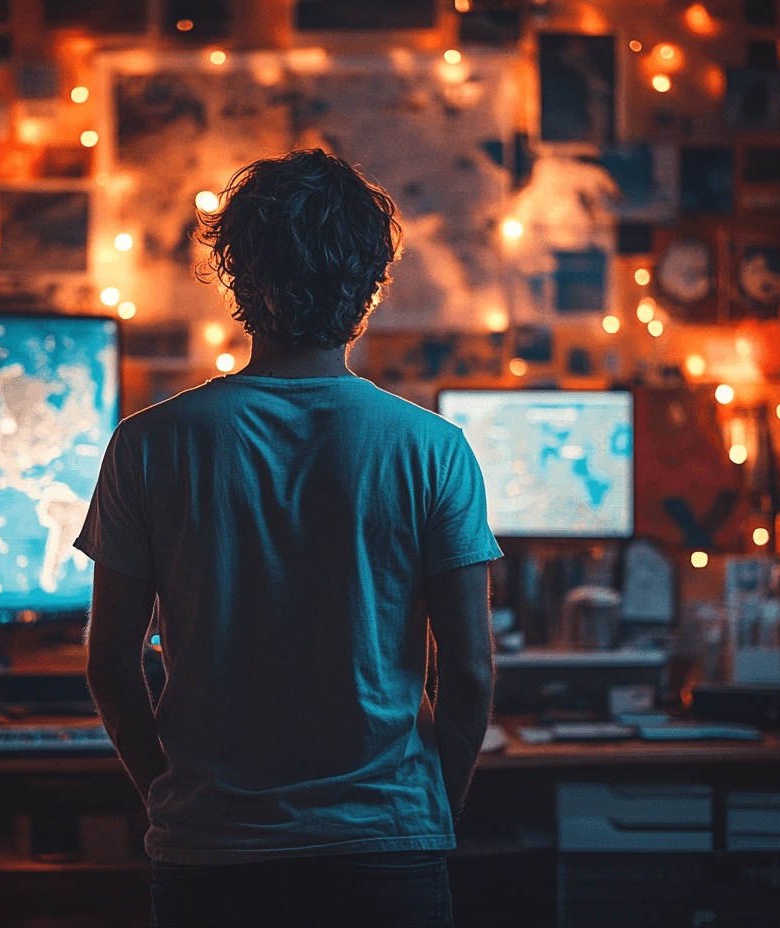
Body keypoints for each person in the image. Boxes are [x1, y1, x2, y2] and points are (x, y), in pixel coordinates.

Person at [77, 148, 500, 928]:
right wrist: (430, 812)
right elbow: (470, 674)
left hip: (211, 855)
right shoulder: (433, 449)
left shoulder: (147, 445)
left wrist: (171, 795)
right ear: (370, 288)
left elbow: (110, 663)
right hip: (387, 849)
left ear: (236, 277)